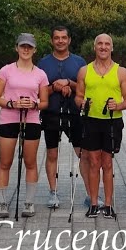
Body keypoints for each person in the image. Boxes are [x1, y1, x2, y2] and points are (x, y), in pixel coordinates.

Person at [0, 33, 50, 219]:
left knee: (30, 162)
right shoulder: (6, 70)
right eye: (23, 46)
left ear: (35, 50)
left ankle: (29, 202)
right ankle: (1, 203)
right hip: (9, 119)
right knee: (5, 162)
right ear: (16, 48)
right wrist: (11, 103)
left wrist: (33, 105)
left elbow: (44, 102)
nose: (26, 50)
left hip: (31, 119)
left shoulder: (40, 74)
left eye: (29, 47)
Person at [75, 33, 126, 219]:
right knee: (93, 163)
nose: (103, 47)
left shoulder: (121, 72)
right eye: (100, 43)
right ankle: (93, 203)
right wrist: (81, 103)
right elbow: (78, 96)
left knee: (107, 163)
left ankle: (108, 205)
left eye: (107, 44)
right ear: (94, 47)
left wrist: (118, 105)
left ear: (112, 48)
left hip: (112, 122)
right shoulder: (84, 71)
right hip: (91, 120)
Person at [38, 26, 88, 210]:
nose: (60, 41)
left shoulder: (79, 62)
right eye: (57, 37)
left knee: (82, 153)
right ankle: (53, 192)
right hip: (51, 113)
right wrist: (55, 86)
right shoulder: (43, 63)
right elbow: (40, 90)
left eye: (64, 37)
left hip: (74, 113)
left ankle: (91, 193)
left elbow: (85, 87)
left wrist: (68, 82)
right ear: (52, 40)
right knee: (52, 153)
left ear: (69, 40)